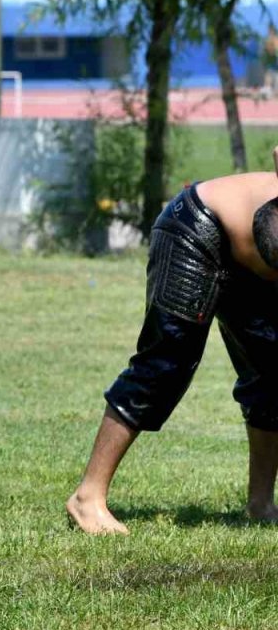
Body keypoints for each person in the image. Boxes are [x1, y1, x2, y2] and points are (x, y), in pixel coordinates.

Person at [66, 159, 278, 535]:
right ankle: (88, 497)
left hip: (250, 257)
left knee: (273, 369)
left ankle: (261, 503)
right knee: (167, 361)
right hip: (197, 228)